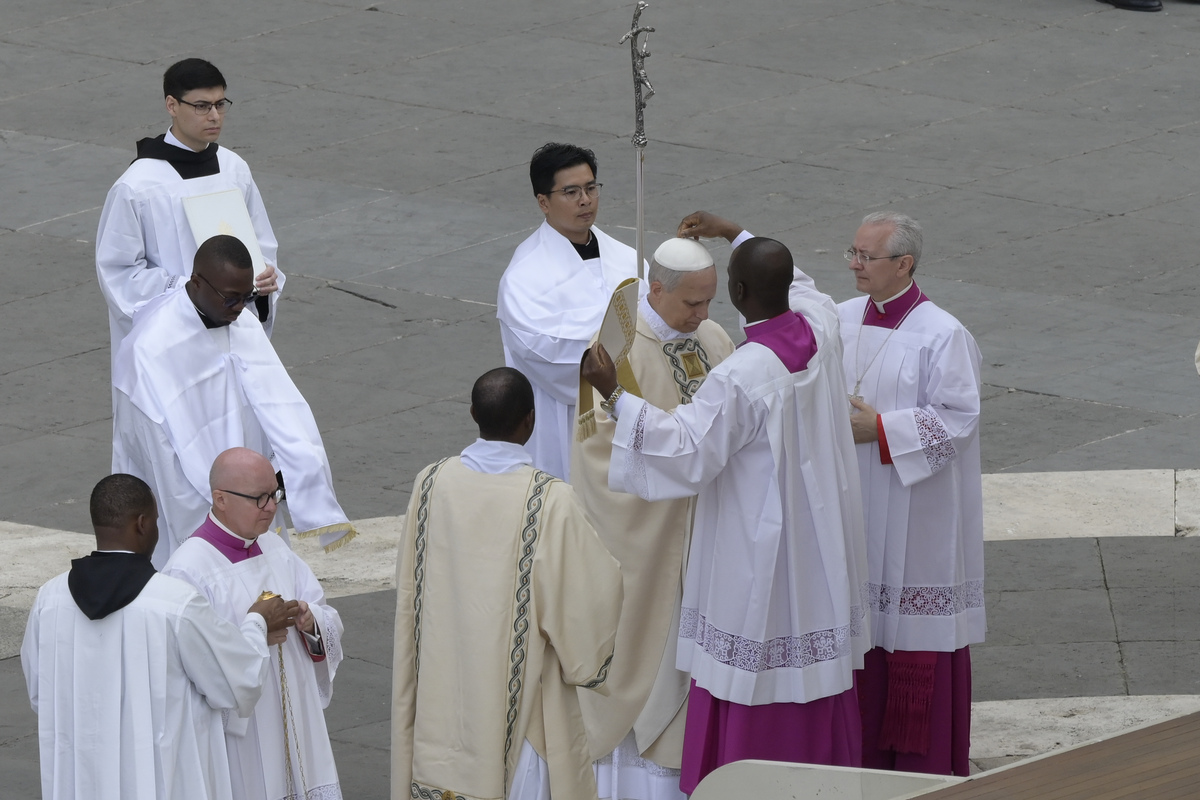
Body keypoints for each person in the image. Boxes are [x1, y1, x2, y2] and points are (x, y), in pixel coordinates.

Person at [582, 238, 871, 793]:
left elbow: (687, 449)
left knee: (759, 654)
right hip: (818, 540)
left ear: (736, 292)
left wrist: (615, 395)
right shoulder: (822, 327)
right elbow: (808, 286)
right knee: (811, 648)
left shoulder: (742, 376)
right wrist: (736, 231)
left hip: (758, 543)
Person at [391, 367, 623, 800]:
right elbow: (586, 604)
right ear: (530, 421)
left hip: (443, 692)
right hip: (521, 712)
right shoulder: (550, 500)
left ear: (474, 413)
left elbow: (410, 593)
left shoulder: (430, 483)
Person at [571, 237, 734, 799]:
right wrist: (684, 477)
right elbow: (597, 458)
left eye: (710, 301)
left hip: (705, 530)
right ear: (656, 289)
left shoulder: (712, 339)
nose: (703, 316)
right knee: (646, 656)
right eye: (692, 303)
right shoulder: (613, 352)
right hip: (649, 538)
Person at [21, 473, 298, 800]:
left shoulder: (49, 600)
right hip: (164, 778)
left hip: (83, 777)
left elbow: (41, 692)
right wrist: (257, 621)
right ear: (141, 524)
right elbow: (237, 682)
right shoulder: (174, 603)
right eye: (155, 520)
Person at [839, 212, 984, 777]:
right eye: (851, 252)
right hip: (856, 504)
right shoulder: (843, 318)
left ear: (904, 264)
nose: (854, 264)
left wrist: (880, 429)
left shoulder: (942, 334)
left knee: (909, 645)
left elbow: (958, 420)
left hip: (916, 513)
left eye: (866, 256)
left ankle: (921, 775)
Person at [112, 234, 355, 567]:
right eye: (231, 299)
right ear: (197, 282)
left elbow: (275, 404)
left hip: (250, 493)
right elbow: (159, 459)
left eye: (247, 297)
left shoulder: (241, 321)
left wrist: (285, 469)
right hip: (194, 504)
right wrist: (213, 525)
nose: (240, 308)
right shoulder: (150, 352)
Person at [163, 447, 345, 800]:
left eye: (275, 493)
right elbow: (191, 666)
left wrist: (310, 621)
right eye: (259, 498)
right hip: (242, 736)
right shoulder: (189, 570)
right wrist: (257, 629)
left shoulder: (274, 547)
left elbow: (326, 615)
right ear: (221, 499)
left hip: (297, 719)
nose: (272, 507)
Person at [97, 57, 282, 365]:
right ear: (172, 105)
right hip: (173, 341)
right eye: (201, 106)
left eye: (220, 104)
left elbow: (261, 244)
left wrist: (263, 280)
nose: (214, 116)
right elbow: (118, 272)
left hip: (236, 330)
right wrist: (190, 290)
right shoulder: (138, 186)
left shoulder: (233, 168)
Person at [497, 142, 641, 480]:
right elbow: (543, 349)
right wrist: (618, 340)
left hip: (631, 409)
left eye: (591, 188)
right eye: (571, 191)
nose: (585, 200)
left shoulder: (627, 257)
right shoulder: (524, 277)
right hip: (565, 419)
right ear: (543, 202)